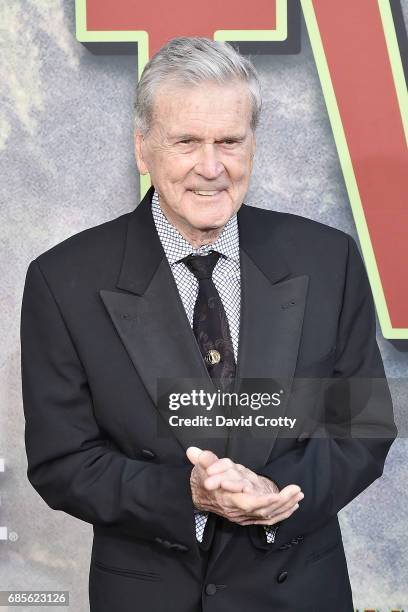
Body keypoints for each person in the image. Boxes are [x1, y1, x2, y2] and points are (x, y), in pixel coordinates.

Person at [20, 37, 397, 612]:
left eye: (229, 140)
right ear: (143, 147)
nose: (212, 167)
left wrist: (279, 495)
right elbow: (63, 461)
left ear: (253, 143)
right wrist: (188, 496)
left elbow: (360, 426)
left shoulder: (328, 260)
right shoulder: (61, 280)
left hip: (299, 591)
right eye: (186, 142)